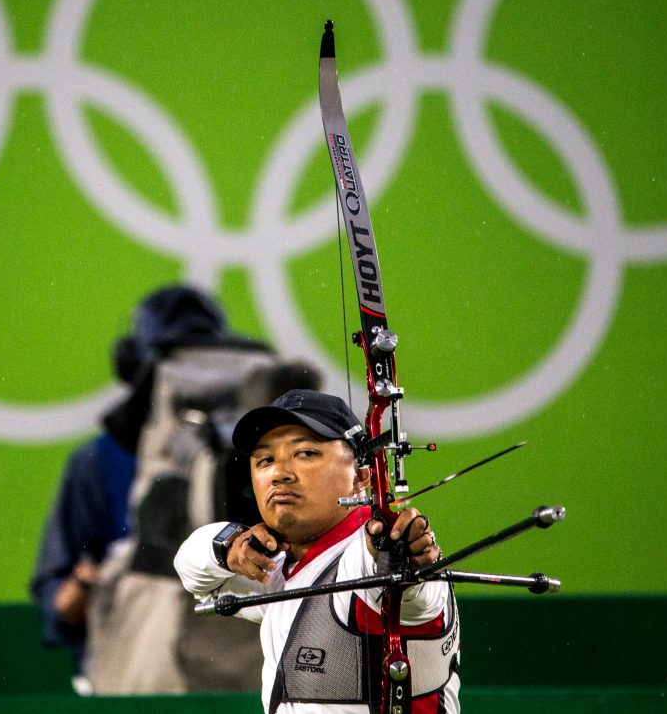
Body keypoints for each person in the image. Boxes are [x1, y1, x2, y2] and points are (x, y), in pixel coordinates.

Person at [29, 284, 265, 690]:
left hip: (244, 675)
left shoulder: (257, 460)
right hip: (133, 673)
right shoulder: (97, 463)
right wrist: (84, 590)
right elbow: (58, 602)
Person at [174, 389, 460, 714]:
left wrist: (403, 559)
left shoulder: (362, 552)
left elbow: (400, 590)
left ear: (362, 477)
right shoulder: (276, 566)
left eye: (306, 453)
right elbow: (191, 570)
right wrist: (228, 545)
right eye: (266, 459)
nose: (281, 473)